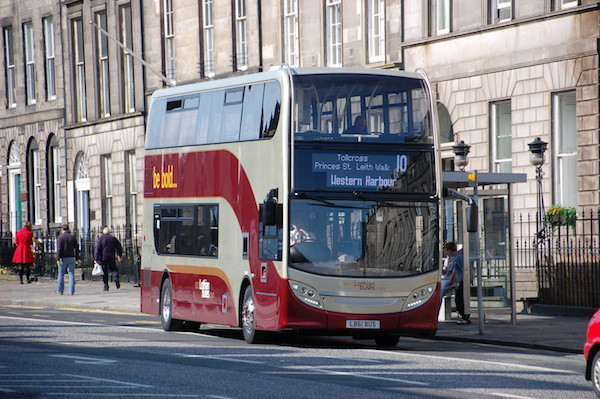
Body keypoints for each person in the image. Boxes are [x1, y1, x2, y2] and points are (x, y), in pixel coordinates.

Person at [441, 242, 470, 324]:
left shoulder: (457, 258)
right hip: (457, 281)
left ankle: (465, 317)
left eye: (446, 250)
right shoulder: (450, 259)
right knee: (459, 299)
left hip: (461, 281)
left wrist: (452, 281)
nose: (445, 252)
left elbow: (457, 270)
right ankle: (465, 316)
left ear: (450, 250)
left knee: (459, 299)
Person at [95, 227, 123, 291]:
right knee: (113, 269)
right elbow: (119, 247)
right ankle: (116, 277)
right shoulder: (112, 238)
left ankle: (106, 286)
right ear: (109, 232)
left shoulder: (101, 239)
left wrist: (96, 258)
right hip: (111, 256)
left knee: (105, 272)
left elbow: (97, 249)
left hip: (103, 258)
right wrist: (119, 255)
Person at [56, 224, 80, 295]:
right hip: (71, 258)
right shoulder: (72, 237)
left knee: (61, 274)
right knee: (71, 274)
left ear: (62, 230)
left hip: (63, 258)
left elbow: (59, 249)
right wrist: (77, 257)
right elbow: (76, 248)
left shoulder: (60, 238)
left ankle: (60, 291)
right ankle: (71, 291)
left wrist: (58, 258)